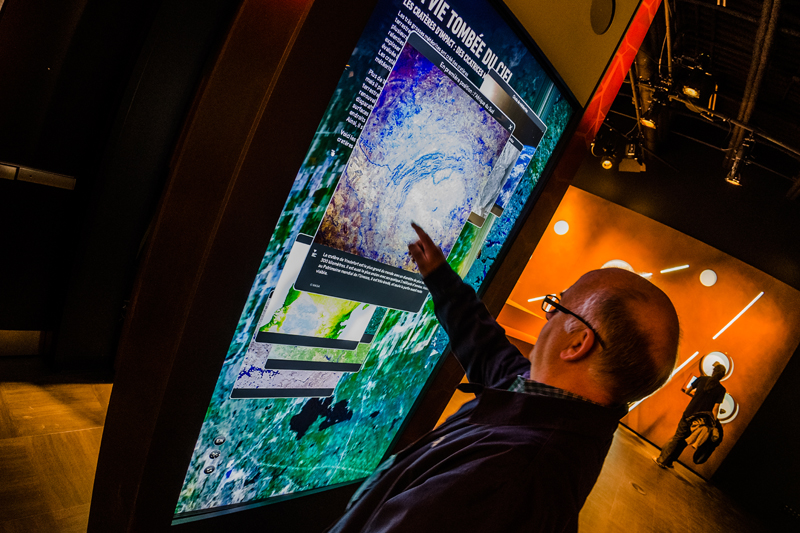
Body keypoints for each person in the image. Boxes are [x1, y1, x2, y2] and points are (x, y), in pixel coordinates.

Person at [326, 223, 680, 533]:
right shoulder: (554, 407)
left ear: (577, 343)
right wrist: (438, 275)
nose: (548, 316)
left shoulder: (512, 479)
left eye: (557, 306)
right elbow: (486, 346)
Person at [654, 363, 727, 468]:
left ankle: (661, 460)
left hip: (689, 413)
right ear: (722, 376)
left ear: (713, 371)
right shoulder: (721, 390)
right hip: (701, 420)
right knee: (685, 440)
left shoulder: (702, 379)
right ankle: (670, 462)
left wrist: (697, 397)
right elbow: (715, 409)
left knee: (677, 437)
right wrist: (713, 423)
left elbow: (688, 390)